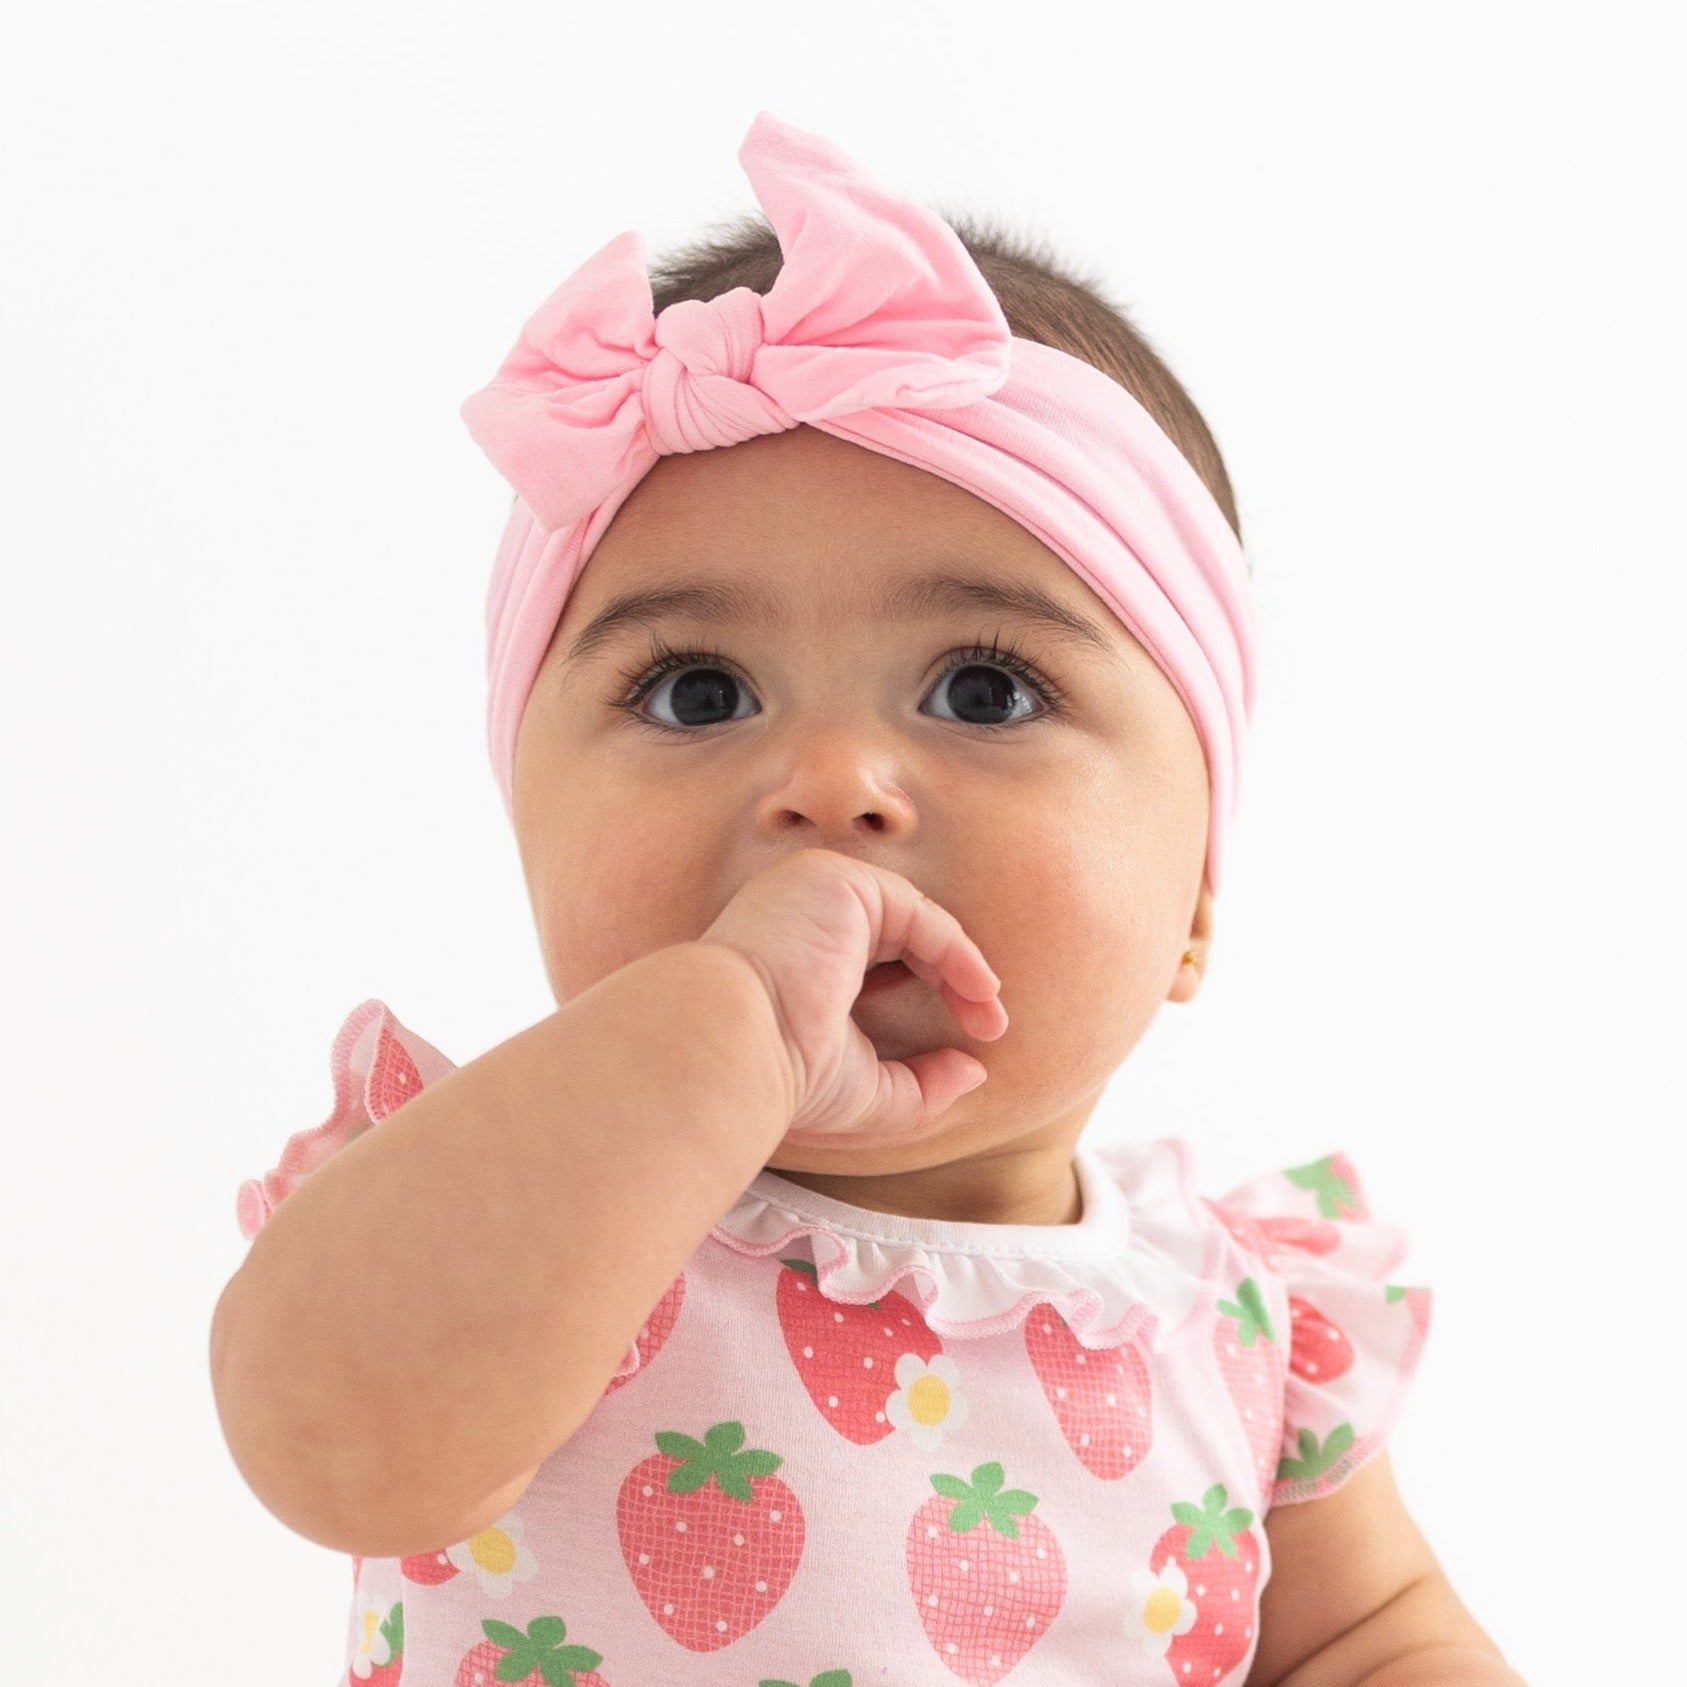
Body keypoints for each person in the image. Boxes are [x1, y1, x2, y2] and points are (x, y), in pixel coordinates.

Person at [210, 111, 1524, 1687]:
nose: (832, 782)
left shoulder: (1239, 1317)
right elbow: (340, 1445)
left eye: (984, 687)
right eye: (699, 693)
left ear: (1193, 899)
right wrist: (722, 1027)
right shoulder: (510, 1222)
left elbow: (1371, 1642)